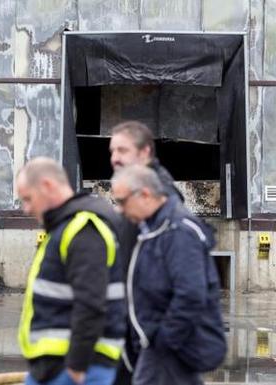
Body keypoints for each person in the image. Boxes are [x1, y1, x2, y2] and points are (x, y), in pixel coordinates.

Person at [110, 165, 226, 385]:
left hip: (171, 350)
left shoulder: (177, 231)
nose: (120, 210)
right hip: (159, 346)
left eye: (122, 201)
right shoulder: (154, 228)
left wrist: (163, 340)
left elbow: (191, 294)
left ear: (144, 194)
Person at [16, 157, 126, 385]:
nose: (26, 209)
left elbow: (91, 302)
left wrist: (77, 365)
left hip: (75, 368)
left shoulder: (83, 230)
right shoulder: (66, 227)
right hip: (58, 367)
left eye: (28, 199)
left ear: (47, 186)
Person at [108, 120, 182, 385]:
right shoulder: (132, 193)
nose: (115, 158)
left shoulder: (161, 198)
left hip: (149, 336)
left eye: (123, 151)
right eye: (112, 151)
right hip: (128, 331)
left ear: (145, 153)